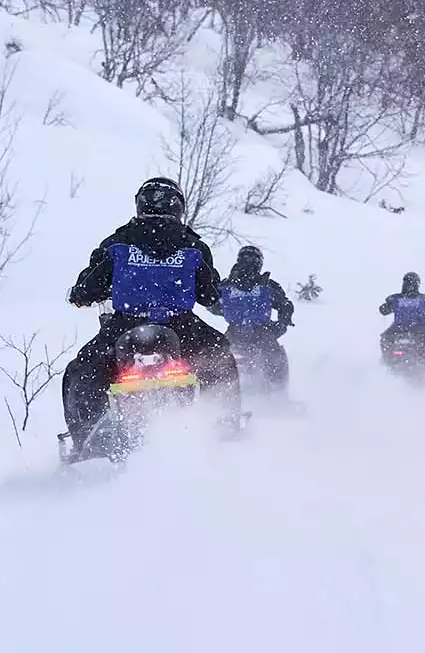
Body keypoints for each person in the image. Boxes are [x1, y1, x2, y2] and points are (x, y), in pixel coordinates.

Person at [61, 177, 241, 456]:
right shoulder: (192, 245)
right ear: (178, 207)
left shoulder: (117, 242)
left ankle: (86, 445)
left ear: (140, 205)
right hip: (181, 326)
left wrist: (80, 293)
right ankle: (225, 431)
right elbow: (211, 296)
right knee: (219, 357)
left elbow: (88, 288)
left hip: (125, 327)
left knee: (81, 372)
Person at [215, 245, 294, 392]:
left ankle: (219, 392)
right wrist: (282, 322)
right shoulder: (267, 285)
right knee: (276, 356)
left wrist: (282, 322)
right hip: (255, 332)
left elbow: (212, 303)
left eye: (252, 259)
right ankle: (277, 392)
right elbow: (285, 304)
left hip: (245, 331)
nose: (249, 262)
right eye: (247, 259)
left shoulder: (227, 285)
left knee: (274, 356)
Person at [378, 271, 425, 354]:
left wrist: (386, 307)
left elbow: (383, 310)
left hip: (399, 328)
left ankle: (387, 358)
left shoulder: (395, 299)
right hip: (421, 329)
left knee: (385, 338)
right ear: (417, 284)